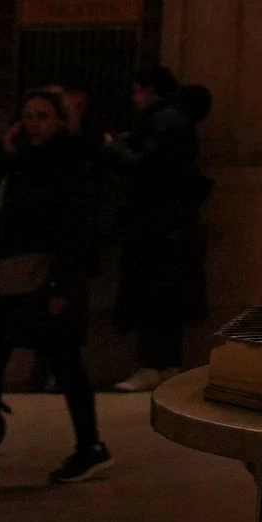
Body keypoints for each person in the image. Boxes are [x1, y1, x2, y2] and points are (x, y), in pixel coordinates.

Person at [0, 88, 112, 490]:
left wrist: (63, 286)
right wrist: (3, 152)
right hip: (6, 277)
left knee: (66, 363)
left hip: (46, 278)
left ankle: (90, 446)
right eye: (28, 115)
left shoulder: (70, 163)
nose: (34, 123)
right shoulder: (15, 164)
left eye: (42, 115)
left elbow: (78, 226)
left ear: (60, 121)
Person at [111, 66, 214, 393]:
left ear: (147, 89)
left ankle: (151, 364)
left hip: (153, 224)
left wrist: (115, 150)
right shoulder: (178, 120)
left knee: (150, 294)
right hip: (174, 223)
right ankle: (167, 363)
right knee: (168, 297)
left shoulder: (161, 121)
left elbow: (145, 167)